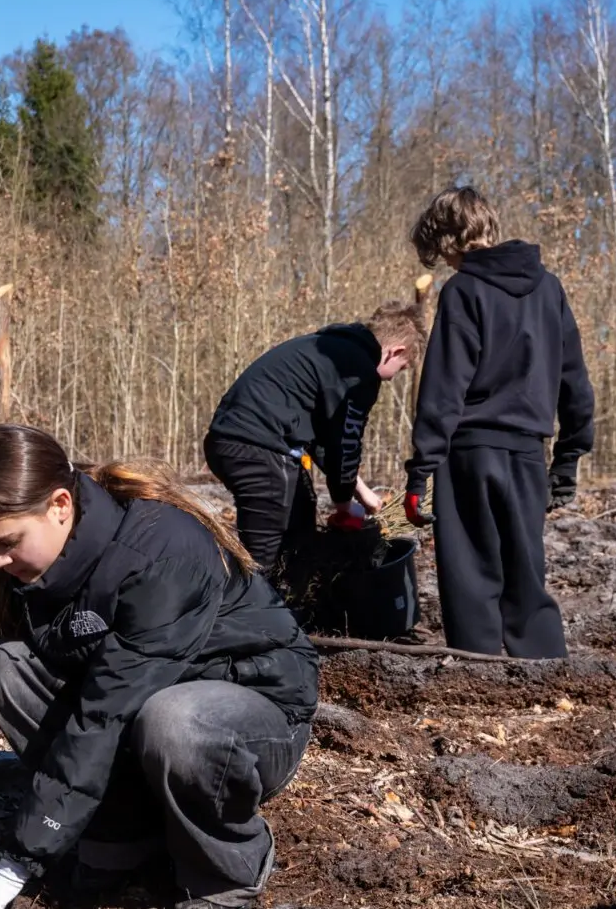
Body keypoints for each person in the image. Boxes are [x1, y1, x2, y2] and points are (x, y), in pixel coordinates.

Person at [0, 424, 319, 909]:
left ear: (60, 505)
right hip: (137, 708)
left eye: (7, 543)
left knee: (176, 722)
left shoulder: (163, 553)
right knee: (4, 666)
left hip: (250, 716)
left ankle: (223, 874)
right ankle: (121, 838)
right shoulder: (14, 564)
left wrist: (22, 858)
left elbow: (103, 713)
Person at [401, 186, 594, 658]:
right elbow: (575, 381)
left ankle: (478, 675)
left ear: (449, 240)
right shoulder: (549, 288)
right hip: (529, 452)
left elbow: (445, 388)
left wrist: (421, 470)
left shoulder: (463, 290)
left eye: (441, 252)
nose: (444, 262)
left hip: (469, 452)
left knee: (470, 572)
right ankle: (545, 668)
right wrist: (568, 457)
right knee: (526, 566)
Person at [204, 303, 427, 578]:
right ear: (396, 351)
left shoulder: (333, 349)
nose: (394, 378)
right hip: (256, 448)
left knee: (300, 525)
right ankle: (247, 611)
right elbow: (345, 445)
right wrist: (344, 506)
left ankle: (290, 604)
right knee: (265, 556)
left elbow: (325, 440)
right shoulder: (359, 372)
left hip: (235, 442)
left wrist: (361, 492)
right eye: (401, 368)